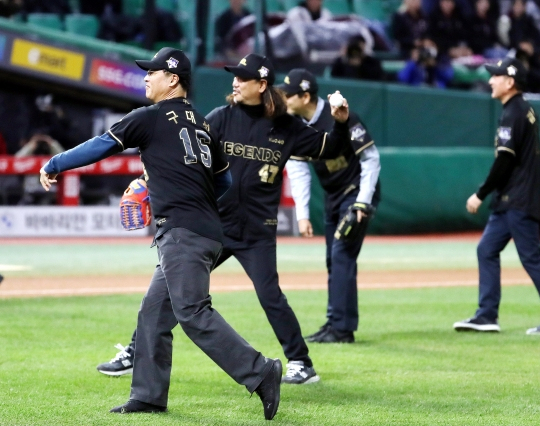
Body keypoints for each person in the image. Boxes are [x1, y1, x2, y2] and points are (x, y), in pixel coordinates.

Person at [39, 47, 282, 420]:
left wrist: (55, 163)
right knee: (153, 314)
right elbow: (225, 182)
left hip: (183, 233)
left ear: (173, 79)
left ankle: (261, 371)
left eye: (152, 72)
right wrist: (179, 191)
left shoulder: (150, 118)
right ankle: (149, 395)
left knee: (193, 313)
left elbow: (101, 145)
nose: (146, 77)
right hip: (207, 231)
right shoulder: (204, 125)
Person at [96, 53, 352, 384]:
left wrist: (341, 122)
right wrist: (147, 182)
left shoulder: (286, 126)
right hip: (212, 225)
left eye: (243, 77)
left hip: (256, 230)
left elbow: (331, 148)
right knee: (165, 292)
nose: (235, 81)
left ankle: (301, 363)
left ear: (262, 85)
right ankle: (134, 351)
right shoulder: (220, 117)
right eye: (234, 75)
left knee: (269, 295)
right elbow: (181, 153)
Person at [453, 57, 540, 335]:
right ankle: (486, 316)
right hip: (513, 200)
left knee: (530, 257)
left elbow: (505, 161)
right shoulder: (524, 110)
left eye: (496, 76)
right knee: (486, 250)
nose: (491, 80)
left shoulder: (513, 113)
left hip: (516, 200)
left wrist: (480, 193)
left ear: (510, 82)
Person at [278, 69, 381, 343]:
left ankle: (342, 329)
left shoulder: (341, 115)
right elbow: (298, 170)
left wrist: (363, 201)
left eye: (288, 94)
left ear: (305, 96)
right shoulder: (296, 125)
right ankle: (335, 323)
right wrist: (302, 215)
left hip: (356, 193)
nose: (284, 98)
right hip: (334, 196)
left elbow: (371, 159)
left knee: (341, 256)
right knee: (332, 260)